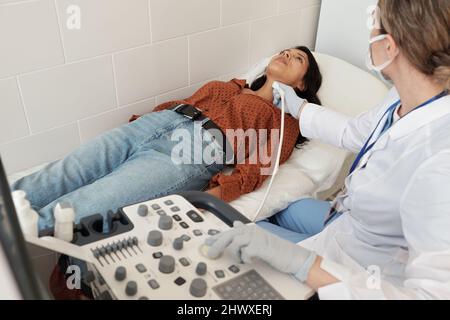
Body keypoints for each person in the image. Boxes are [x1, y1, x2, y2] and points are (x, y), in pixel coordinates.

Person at [206, 0, 450, 299]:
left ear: (390, 46)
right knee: (282, 208)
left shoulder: (440, 160)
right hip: (348, 221)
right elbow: (355, 132)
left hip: (367, 273)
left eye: (373, 24)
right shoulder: (402, 97)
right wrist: (300, 108)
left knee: (229, 243)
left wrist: (305, 264)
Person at [11, 46, 322, 231]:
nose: (286, 54)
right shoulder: (231, 84)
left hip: (192, 153)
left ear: (303, 84)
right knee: (69, 169)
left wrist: (208, 199)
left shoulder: (286, 121)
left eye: (296, 59)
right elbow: (182, 101)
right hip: (153, 125)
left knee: (96, 200)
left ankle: (21, 234)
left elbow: (255, 172)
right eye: (286, 50)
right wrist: (144, 123)